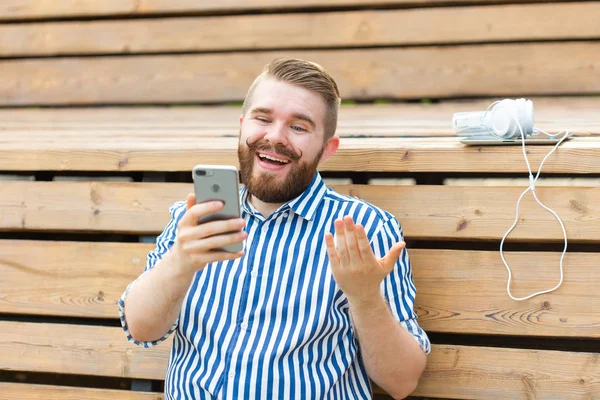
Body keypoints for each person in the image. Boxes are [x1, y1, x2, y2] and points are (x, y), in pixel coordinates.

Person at [119, 57, 430, 399]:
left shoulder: (366, 230)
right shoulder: (191, 221)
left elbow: (401, 382)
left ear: (328, 149)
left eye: (299, 127)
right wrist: (181, 261)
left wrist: (365, 296)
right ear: (242, 126)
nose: (274, 137)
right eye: (263, 119)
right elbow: (142, 329)